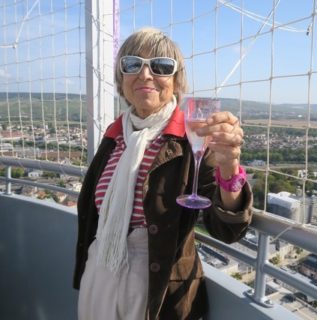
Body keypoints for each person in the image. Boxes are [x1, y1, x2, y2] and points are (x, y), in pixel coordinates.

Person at [73, 27, 253, 320]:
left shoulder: (193, 139)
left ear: (176, 81)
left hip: (158, 289)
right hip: (100, 273)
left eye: (160, 66)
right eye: (132, 64)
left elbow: (227, 230)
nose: (145, 74)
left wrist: (229, 166)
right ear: (122, 79)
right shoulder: (113, 138)